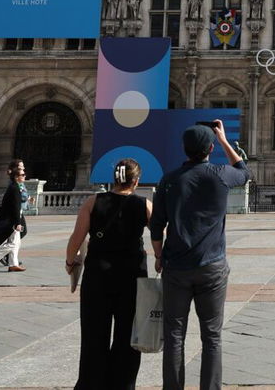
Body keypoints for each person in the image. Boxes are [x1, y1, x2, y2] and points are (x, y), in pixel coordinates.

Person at [150, 120, 249, 390]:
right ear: (210, 148)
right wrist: (225, 141)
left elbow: (156, 225)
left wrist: (158, 255)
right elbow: (244, 170)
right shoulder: (220, 174)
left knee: (173, 335)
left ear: (184, 149)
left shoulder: (168, 180)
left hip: (176, 267)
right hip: (211, 267)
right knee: (212, 336)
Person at [65, 158, 152, 390]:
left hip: (98, 275)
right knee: (127, 335)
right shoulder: (144, 205)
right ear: (136, 181)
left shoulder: (93, 202)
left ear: (114, 178)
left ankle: (91, 384)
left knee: (94, 333)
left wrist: (70, 260)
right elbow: (160, 236)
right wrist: (162, 259)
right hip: (132, 276)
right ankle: (123, 384)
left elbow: (77, 237)